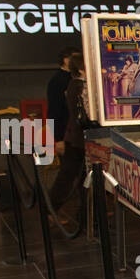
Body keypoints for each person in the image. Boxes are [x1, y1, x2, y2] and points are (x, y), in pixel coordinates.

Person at [48, 52, 90, 225]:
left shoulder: (74, 84)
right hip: (76, 139)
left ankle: (86, 214)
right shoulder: (76, 85)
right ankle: (51, 209)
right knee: (68, 176)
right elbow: (59, 112)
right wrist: (58, 138)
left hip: (76, 137)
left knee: (81, 178)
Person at [46, 45, 78, 162]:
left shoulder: (76, 78)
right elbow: (54, 110)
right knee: (68, 170)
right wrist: (58, 138)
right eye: (75, 59)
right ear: (66, 60)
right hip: (65, 134)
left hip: (77, 134)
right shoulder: (57, 81)